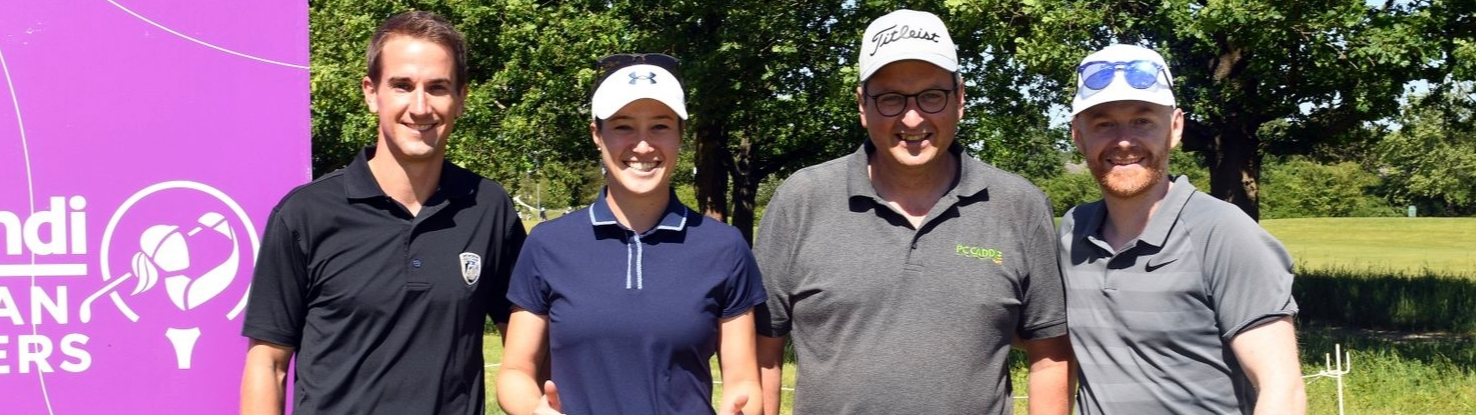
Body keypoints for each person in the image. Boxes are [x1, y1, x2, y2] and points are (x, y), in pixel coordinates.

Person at [754, 9, 1074, 415]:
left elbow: (1050, 356)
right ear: (862, 105)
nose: (912, 117)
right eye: (890, 98)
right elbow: (762, 351)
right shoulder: (801, 200)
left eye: (931, 96)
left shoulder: (1019, 206)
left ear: (960, 98)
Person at [239, 11, 526, 415]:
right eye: (403, 86)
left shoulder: (488, 207)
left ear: (461, 98)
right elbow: (269, 365)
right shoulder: (304, 215)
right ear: (372, 93)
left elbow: (523, 342)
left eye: (438, 87)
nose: (420, 106)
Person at [496, 53, 765, 415]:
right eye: (623, 126)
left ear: (680, 135)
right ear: (597, 134)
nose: (642, 146)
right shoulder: (548, 244)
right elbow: (515, 372)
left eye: (660, 126)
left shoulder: (724, 247)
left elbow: (743, 380)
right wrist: (535, 410)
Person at [1059, 44, 1306, 414]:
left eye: (1143, 121)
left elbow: (1281, 388)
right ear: (1078, 136)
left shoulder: (1224, 233)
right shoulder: (1072, 232)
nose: (1124, 141)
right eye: (1103, 123)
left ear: (1175, 128)